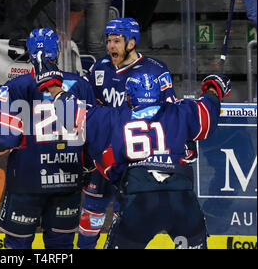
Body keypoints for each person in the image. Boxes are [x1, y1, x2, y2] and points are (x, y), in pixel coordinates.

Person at [35, 53, 231, 248]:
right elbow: (208, 112)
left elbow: (70, 113)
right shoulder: (181, 113)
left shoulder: (112, 118)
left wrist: (53, 87)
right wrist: (213, 88)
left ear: (128, 97)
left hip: (140, 203)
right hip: (182, 201)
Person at [0, 28, 96, 249]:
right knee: (61, 249)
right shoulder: (82, 85)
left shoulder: (15, 86)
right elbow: (92, 140)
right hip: (67, 184)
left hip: (26, 182)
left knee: (17, 247)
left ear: (29, 53)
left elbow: (6, 139)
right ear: (56, 53)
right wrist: (84, 168)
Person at [77, 17, 199, 249]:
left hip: (136, 154)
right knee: (91, 212)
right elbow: (85, 102)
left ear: (132, 42)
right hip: (104, 153)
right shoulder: (99, 66)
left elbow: (171, 110)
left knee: (126, 216)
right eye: (109, 41)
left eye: (117, 41)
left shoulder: (155, 69)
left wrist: (187, 141)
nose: (111, 46)